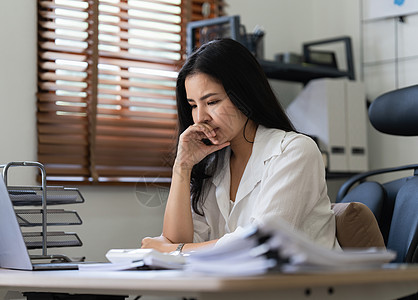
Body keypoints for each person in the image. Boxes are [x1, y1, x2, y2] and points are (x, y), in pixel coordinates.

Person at [141, 38, 338, 253]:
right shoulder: (213, 164)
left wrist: (176, 251)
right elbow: (177, 240)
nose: (200, 117)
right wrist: (182, 166)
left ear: (245, 95)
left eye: (212, 102)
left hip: (304, 284)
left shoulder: (294, 151)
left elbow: (260, 243)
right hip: (237, 284)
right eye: (193, 105)